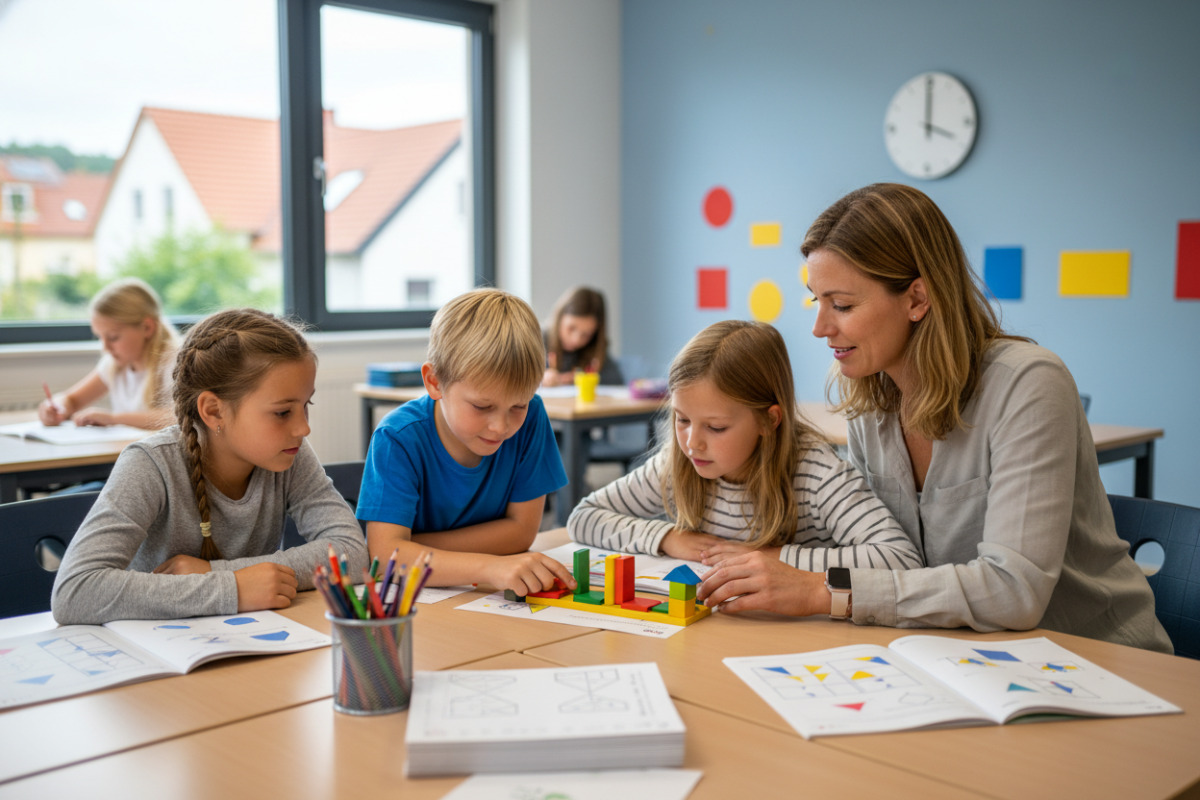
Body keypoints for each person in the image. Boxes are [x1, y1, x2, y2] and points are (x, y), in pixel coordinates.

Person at [697, 183, 1172, 653]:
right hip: (959, 650)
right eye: (815, 301)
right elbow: (880, 554)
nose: (820, 327)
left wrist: (823, 590)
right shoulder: (871, 402)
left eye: (841, 305)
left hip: (1094, 657)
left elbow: (1014, 590)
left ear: (917, 299)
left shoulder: (1029, 383)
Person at [51, 308, 369, 625]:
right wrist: (234, 589)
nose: (303, 428)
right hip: (159, 645)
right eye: (283, 412)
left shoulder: (290, 453)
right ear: (214, 411)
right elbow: (74, 592)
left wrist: (220, 573)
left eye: (306, 405)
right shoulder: (150, 464)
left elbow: (352, 553)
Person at [568, 320, 923, 586]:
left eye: (716, 427)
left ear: (769, 420)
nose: (692, 443)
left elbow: (900, 559)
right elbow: (584, 517)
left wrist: (774, 559)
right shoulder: (678, 463)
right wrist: (668, 539)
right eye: (682, 419)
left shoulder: (816, 473)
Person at [357, 288, 577, 598]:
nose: (501, 426)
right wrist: (488, 567)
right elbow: (386, 560)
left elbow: (521, 533)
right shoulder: (398, 437)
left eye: (518, 405)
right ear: (434, 382)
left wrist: (412, 547)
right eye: (482, 406)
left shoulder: (532, 417)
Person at [39, 278, 179, 430]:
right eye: (100, 337)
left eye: (113, 337)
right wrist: (56, 406)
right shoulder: (114, 364)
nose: (105, 347)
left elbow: (177, 416)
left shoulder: (174, 363)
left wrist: (114, 419)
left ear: (147, 327)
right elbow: (71, 399)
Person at [542, 286, 623, 387]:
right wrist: (540, 380)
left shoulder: (594, 348)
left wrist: (588, 377)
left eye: (586, 334)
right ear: (559, 318)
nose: (576, 340)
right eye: (571, 328)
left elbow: (616, 381)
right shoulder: (537, 339)